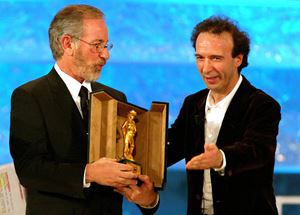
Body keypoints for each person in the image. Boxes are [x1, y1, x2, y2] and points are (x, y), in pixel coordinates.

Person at [9, 4, 157, 215]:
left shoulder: (116, 98)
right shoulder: (31, 96)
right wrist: (89, 173)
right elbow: (29, 169)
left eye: (107, 45)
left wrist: (149, 199)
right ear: (68, 44)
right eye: (97, 45)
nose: (105, 55)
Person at [167, 16, 281, 215]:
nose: (206, 68)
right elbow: (170, 146)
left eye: (216, 58)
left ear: (239, 59)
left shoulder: (263, 105)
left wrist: (221, 157)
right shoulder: (193, 103)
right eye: (200, 57)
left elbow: (257, 150)